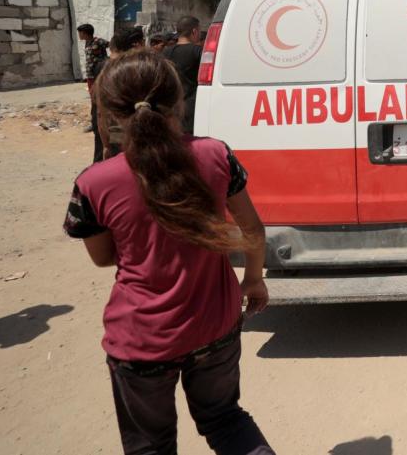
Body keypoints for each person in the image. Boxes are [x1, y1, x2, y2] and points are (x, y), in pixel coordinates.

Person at [62, 51, 274, 455]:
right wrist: (253, 278)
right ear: (180, 102)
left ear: (109, 113)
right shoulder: (216, 154)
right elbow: (254, 229)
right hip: (216, 326)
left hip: (142, 342)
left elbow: (105, 258)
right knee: (226, 420)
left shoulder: (93, 183)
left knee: (150, 446)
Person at [163, 16, 203, 135]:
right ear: (194, 31)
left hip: (171, 109)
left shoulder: (165, 52)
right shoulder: (198, 51)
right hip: (192, 109)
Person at [77, 24, 110, 162]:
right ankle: (95, 121)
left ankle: (99, 121)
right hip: (90, 76)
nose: (79, 35)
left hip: (99, 74)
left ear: (85, 33)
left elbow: (111, 45)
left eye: (80, 33)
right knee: (93, 99)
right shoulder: (87, 43)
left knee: (99, 99)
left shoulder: (98, 41)